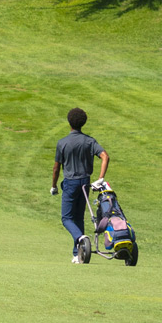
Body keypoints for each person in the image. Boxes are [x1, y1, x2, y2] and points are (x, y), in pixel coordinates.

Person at [49, 107, 110, 263]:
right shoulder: (89, 141)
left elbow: (56, 168)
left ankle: (80, 238)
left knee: (66, 218)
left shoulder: (62, 143)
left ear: (69, 122)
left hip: (70, 183)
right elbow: (105, 157)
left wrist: (54, 186)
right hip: (85, 183)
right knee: (78, 218)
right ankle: (79, 253)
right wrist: (101, 178)